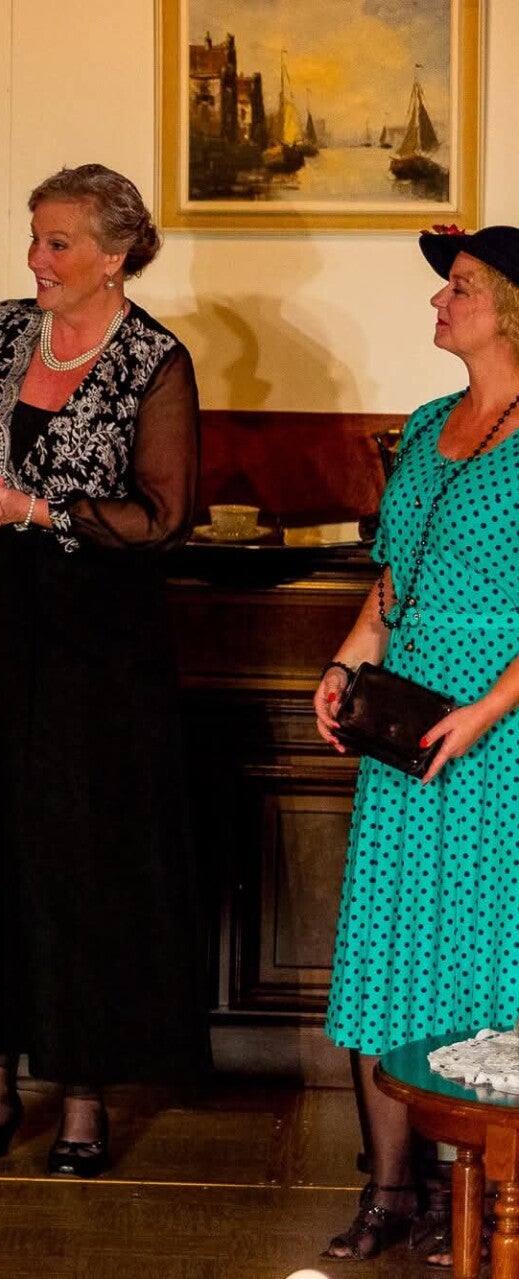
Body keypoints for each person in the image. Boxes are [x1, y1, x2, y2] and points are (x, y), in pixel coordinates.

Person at [0, 163, 209, 1179]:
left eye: (58, 242)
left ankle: (82, 1097)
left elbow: (162, 516)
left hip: (99, 643)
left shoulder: (154, 361)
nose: (35, 258)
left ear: (114, 255)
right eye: (34, 237)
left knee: (81, 855)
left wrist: (33, 508)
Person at [313, 224, 519, 1265]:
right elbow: (393, 579)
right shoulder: (430, 420)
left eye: (461, 287)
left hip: (497, 733)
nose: (439, 302)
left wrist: (484, 710)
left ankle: (479, 1192)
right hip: (405, 727)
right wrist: (345, 664)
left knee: (484, 951)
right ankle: (391, 1190)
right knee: (388, 942)